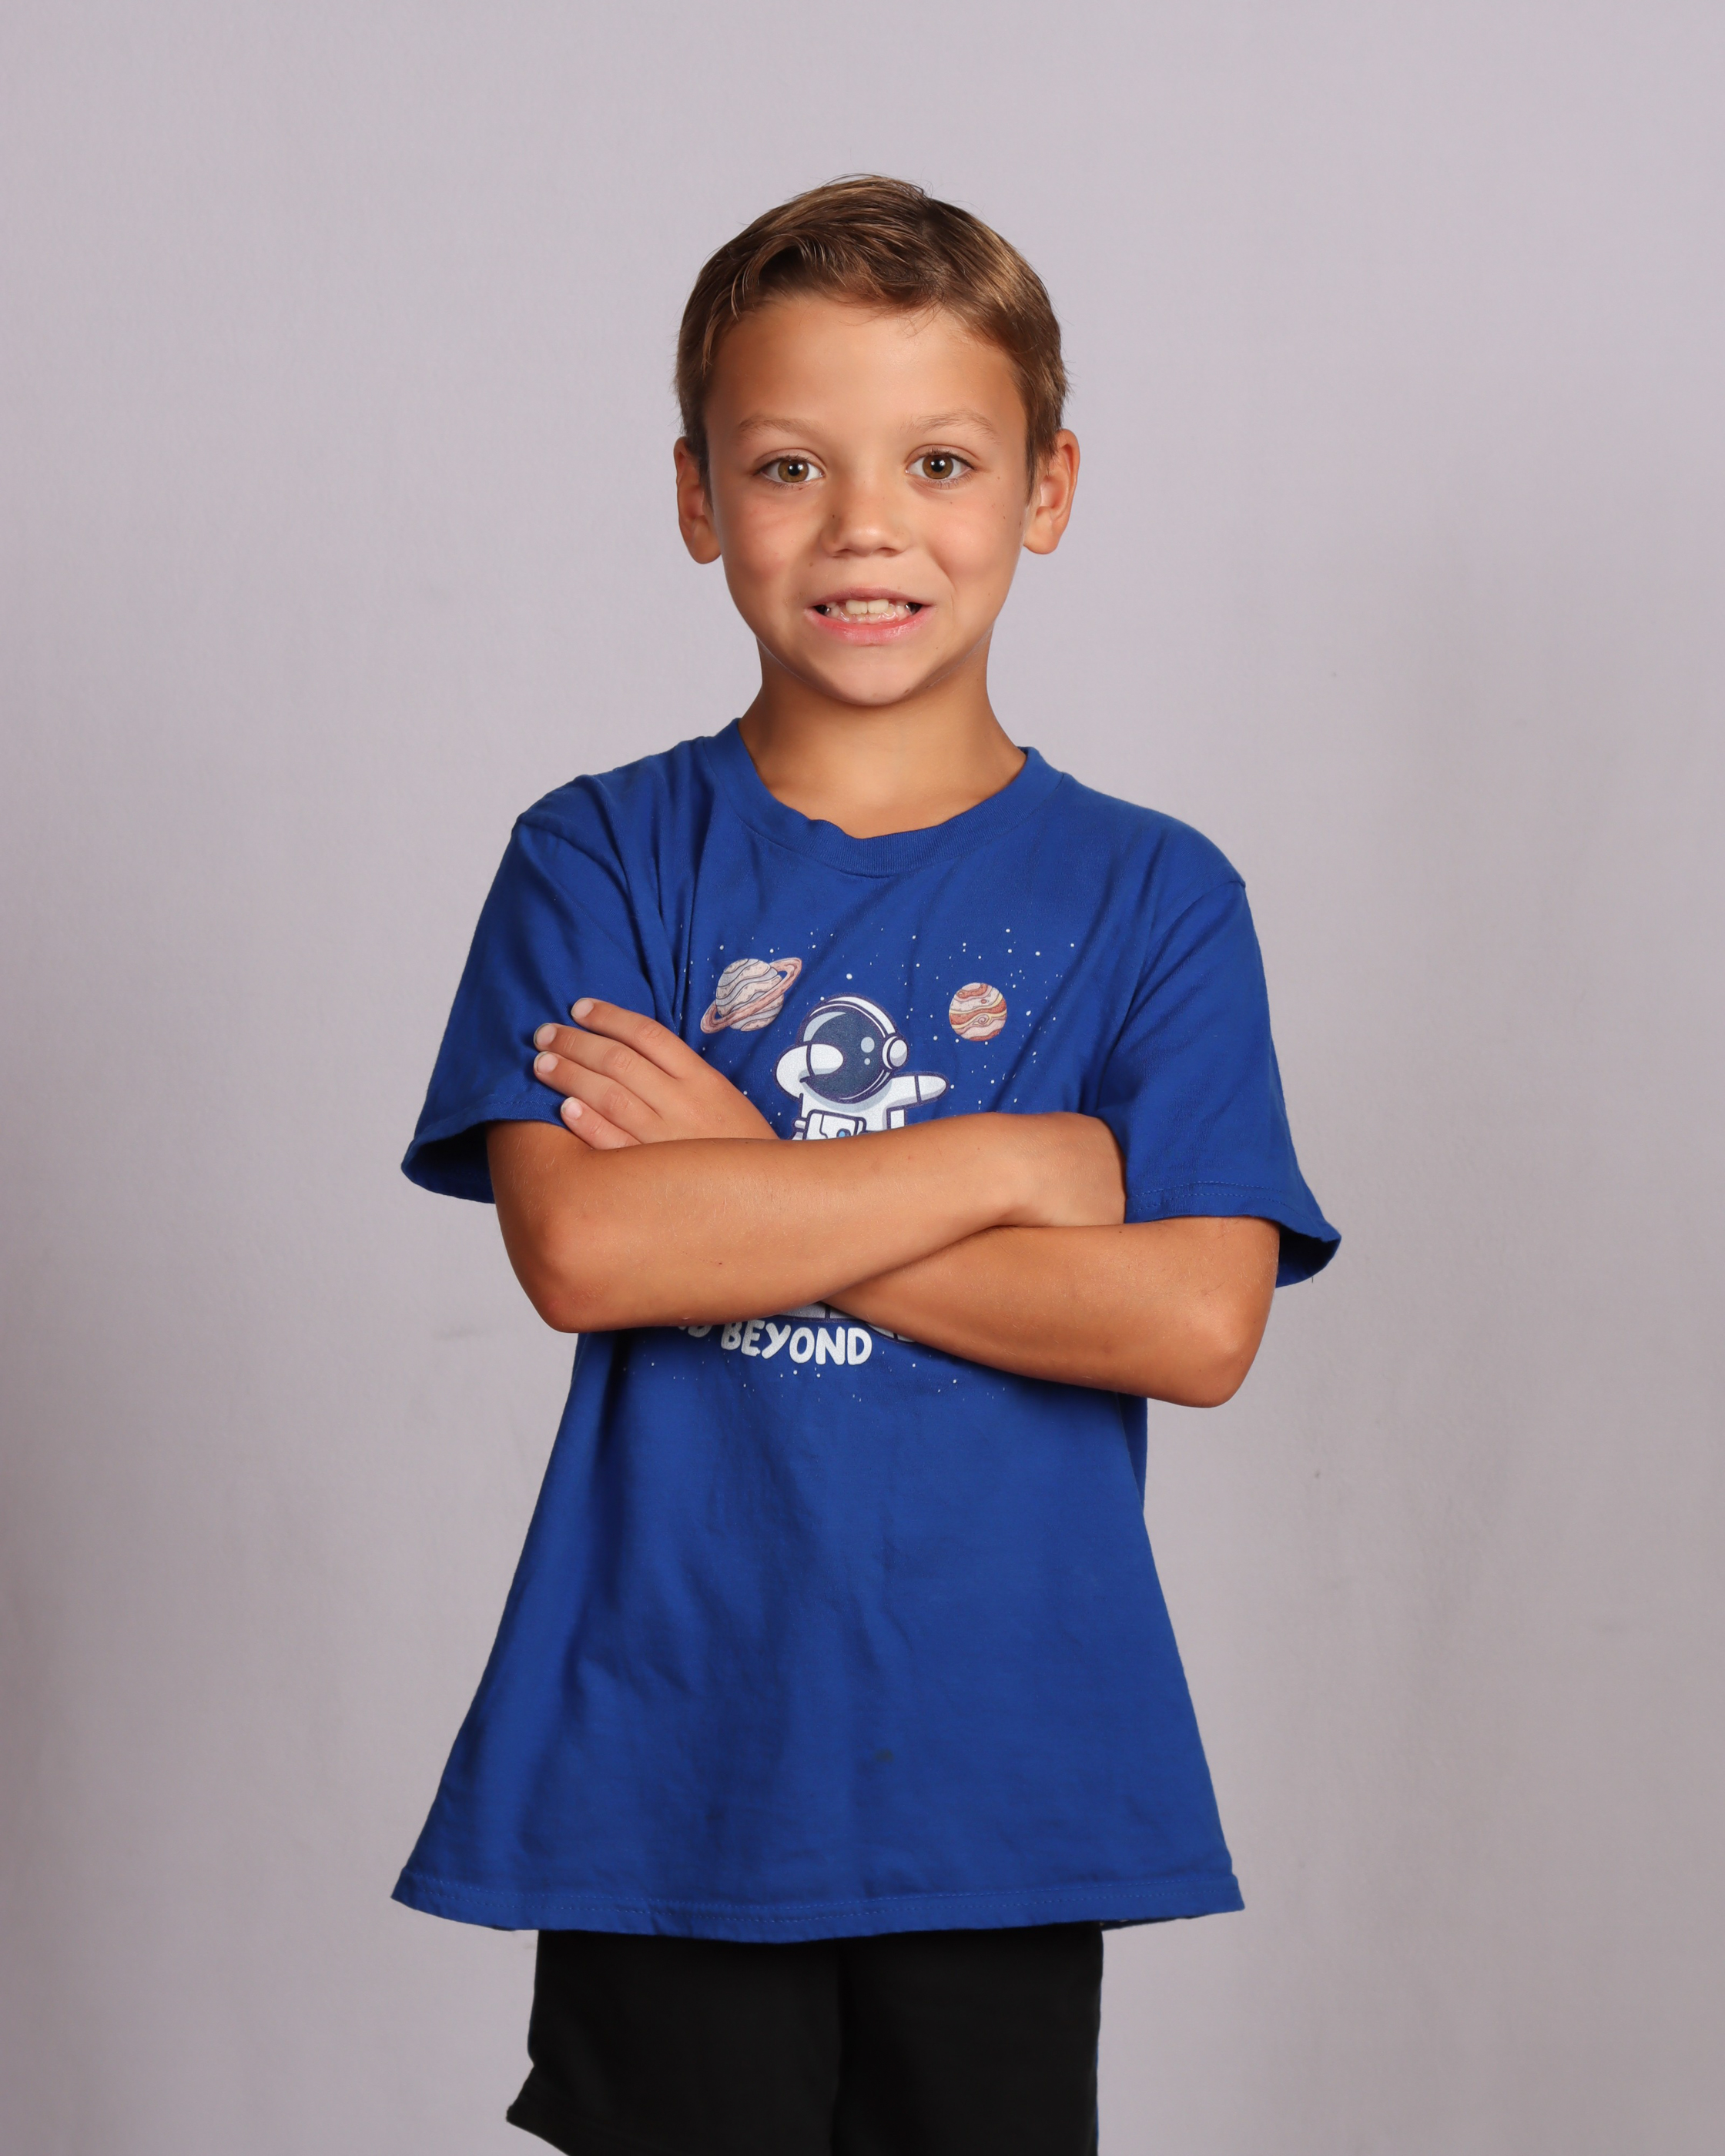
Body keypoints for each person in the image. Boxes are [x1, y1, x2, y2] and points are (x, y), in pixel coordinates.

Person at [396, 176, 1338, 2156]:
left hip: (1001, 1765)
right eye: (786, 465)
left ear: (1046, 487)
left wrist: (740, 1183)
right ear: (696, 496)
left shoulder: (1154, 895)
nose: (864, 527)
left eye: (939, 460)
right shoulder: (600, 855)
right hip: (670, 1755)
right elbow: (587, 1253)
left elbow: (1192, 1319)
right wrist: (1023, 1157)